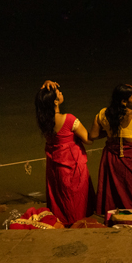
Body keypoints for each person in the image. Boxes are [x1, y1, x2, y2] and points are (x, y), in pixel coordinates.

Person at [35, 80, 95, 226]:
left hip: (55, 165)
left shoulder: (44, 121)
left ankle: (61, 219)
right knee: (75, 195)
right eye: (59, 93)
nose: (61, 93)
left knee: (59, 194)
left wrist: (45, 86)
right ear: (55, 101)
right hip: (72, 164)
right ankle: (75, 220)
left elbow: (40, 99)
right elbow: (88, 140)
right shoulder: (68, 119)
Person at [90, 84, 132, 216]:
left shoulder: (103, 113)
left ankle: (114, 213)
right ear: (124, 101)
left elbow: (93, 135)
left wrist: (110, 133)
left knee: (113, 187)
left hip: (112, 153)